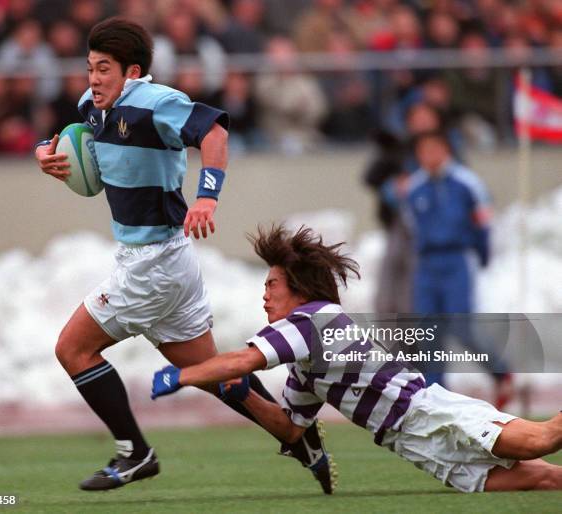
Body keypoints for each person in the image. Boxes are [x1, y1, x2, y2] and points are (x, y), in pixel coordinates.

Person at [34, 17, 332, 493]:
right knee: (213, 374)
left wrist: (207, 196)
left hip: (151, 265)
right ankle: (293, 433)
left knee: (72, 349)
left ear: (132, 72)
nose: (93, 78)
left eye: (104, 69)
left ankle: (135, 453)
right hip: (169, 263)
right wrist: (45, 157)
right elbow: (84, 162)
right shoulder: (92, 107)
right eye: (90, 67)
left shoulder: (156, 103)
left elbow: (214, 134)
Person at [151, 225, 562, 493]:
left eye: (271, 284)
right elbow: (292, 431)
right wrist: (245, 397)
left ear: (297, 288)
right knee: (544, 479)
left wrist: (183, 375)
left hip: (428, 412)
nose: (265, 294)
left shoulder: (312, 319)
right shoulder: (303, 363)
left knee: (541, 440)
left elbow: (244, 360)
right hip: (412, 444)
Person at [384, 130, 513, 408]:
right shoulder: (414, 188)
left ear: (446, 150)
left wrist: (483, 255)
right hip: (427, 265)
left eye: (434, 149)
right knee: (428, 332)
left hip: (456, 260)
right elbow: (409, 225)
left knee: (461, 326)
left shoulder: (466, 183)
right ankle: (435, 396)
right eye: (423, 151)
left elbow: (483, 221)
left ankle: (500, 370)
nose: (429, 156)